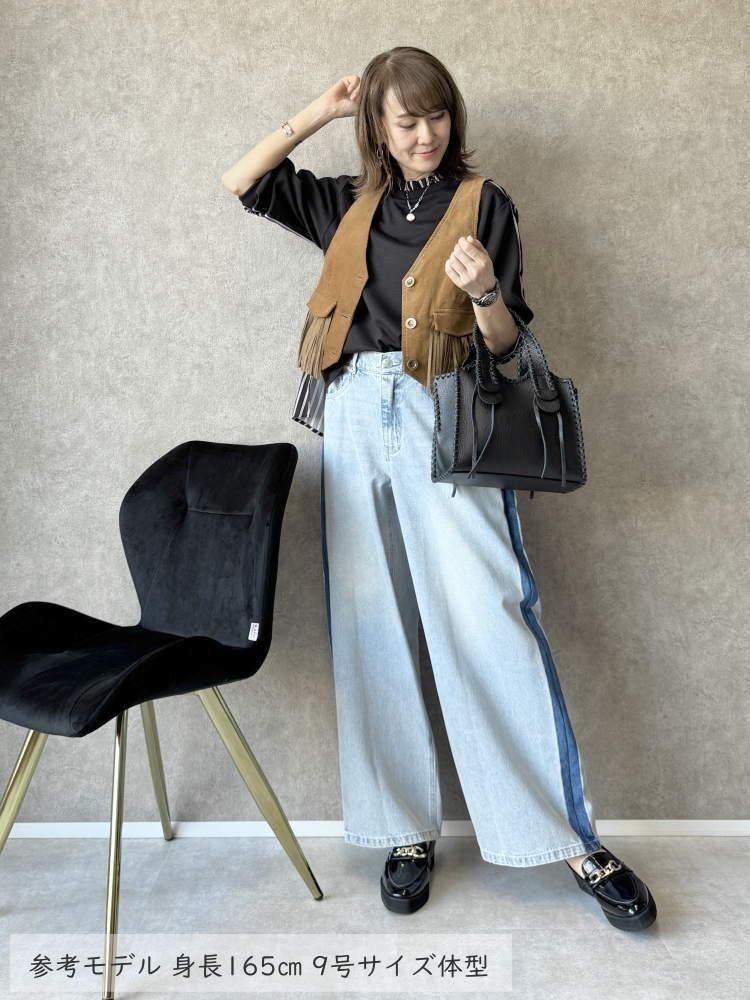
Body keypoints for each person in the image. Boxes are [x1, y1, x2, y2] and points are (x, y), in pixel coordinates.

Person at [221, 46, 657, 932]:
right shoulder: (348, 205)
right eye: (406, 121)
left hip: (444, 410)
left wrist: (486, 290)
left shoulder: (483, 202)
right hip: (352, 411)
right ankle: (405, 832)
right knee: (371, 626)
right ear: (378, 128)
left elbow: (506, 342)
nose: (425, 135)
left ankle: (570, 840)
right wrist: (319, 110)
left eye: (437, 115)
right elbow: (242, 180)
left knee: (489, 615)